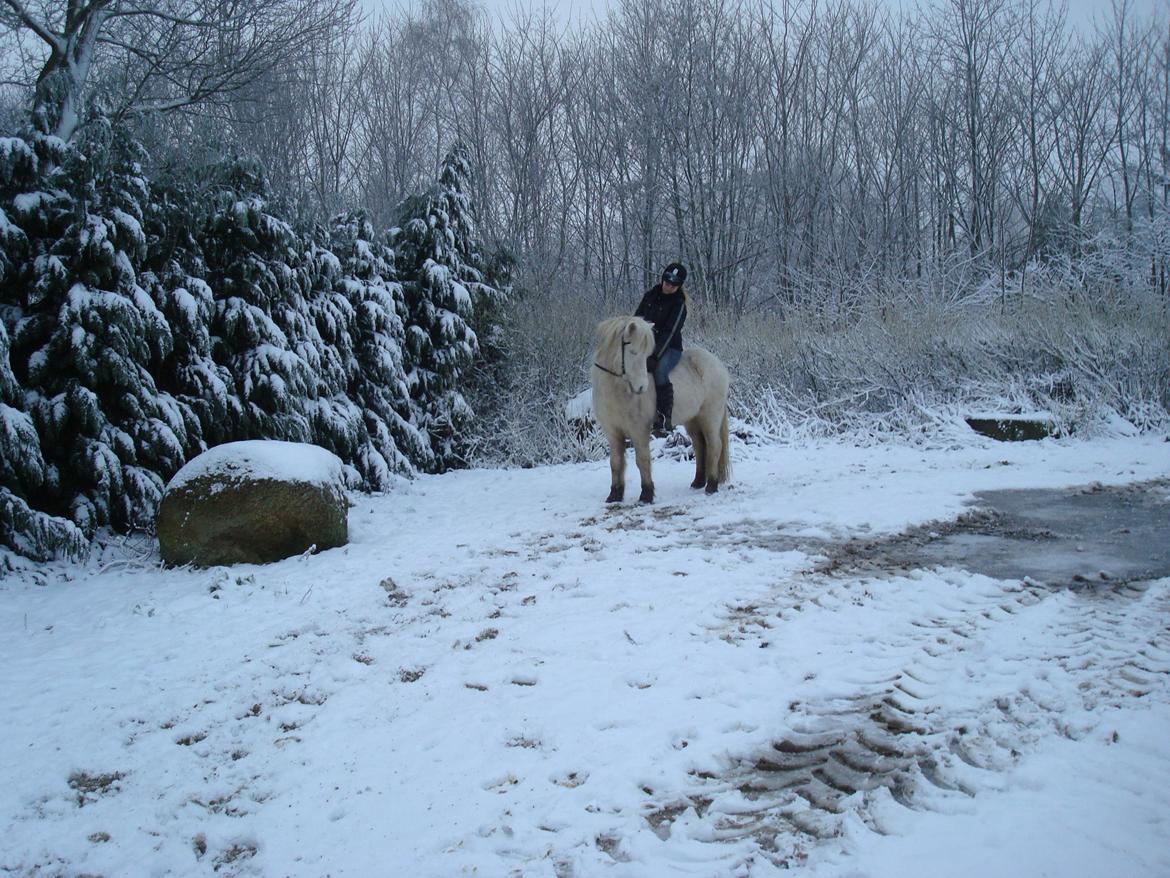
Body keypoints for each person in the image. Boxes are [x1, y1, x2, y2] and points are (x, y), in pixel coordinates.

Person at [635, 262, 688, 437]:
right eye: (667, 281)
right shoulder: (650, 295)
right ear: (663, 279)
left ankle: (664, 420)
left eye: (674, 284)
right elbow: (637, 319)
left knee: (659, 372)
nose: (669, 285)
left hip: (669, 348)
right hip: (645, 344)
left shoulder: (679, 304)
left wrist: (655, 355)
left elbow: (670, 332)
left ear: (679, 286)